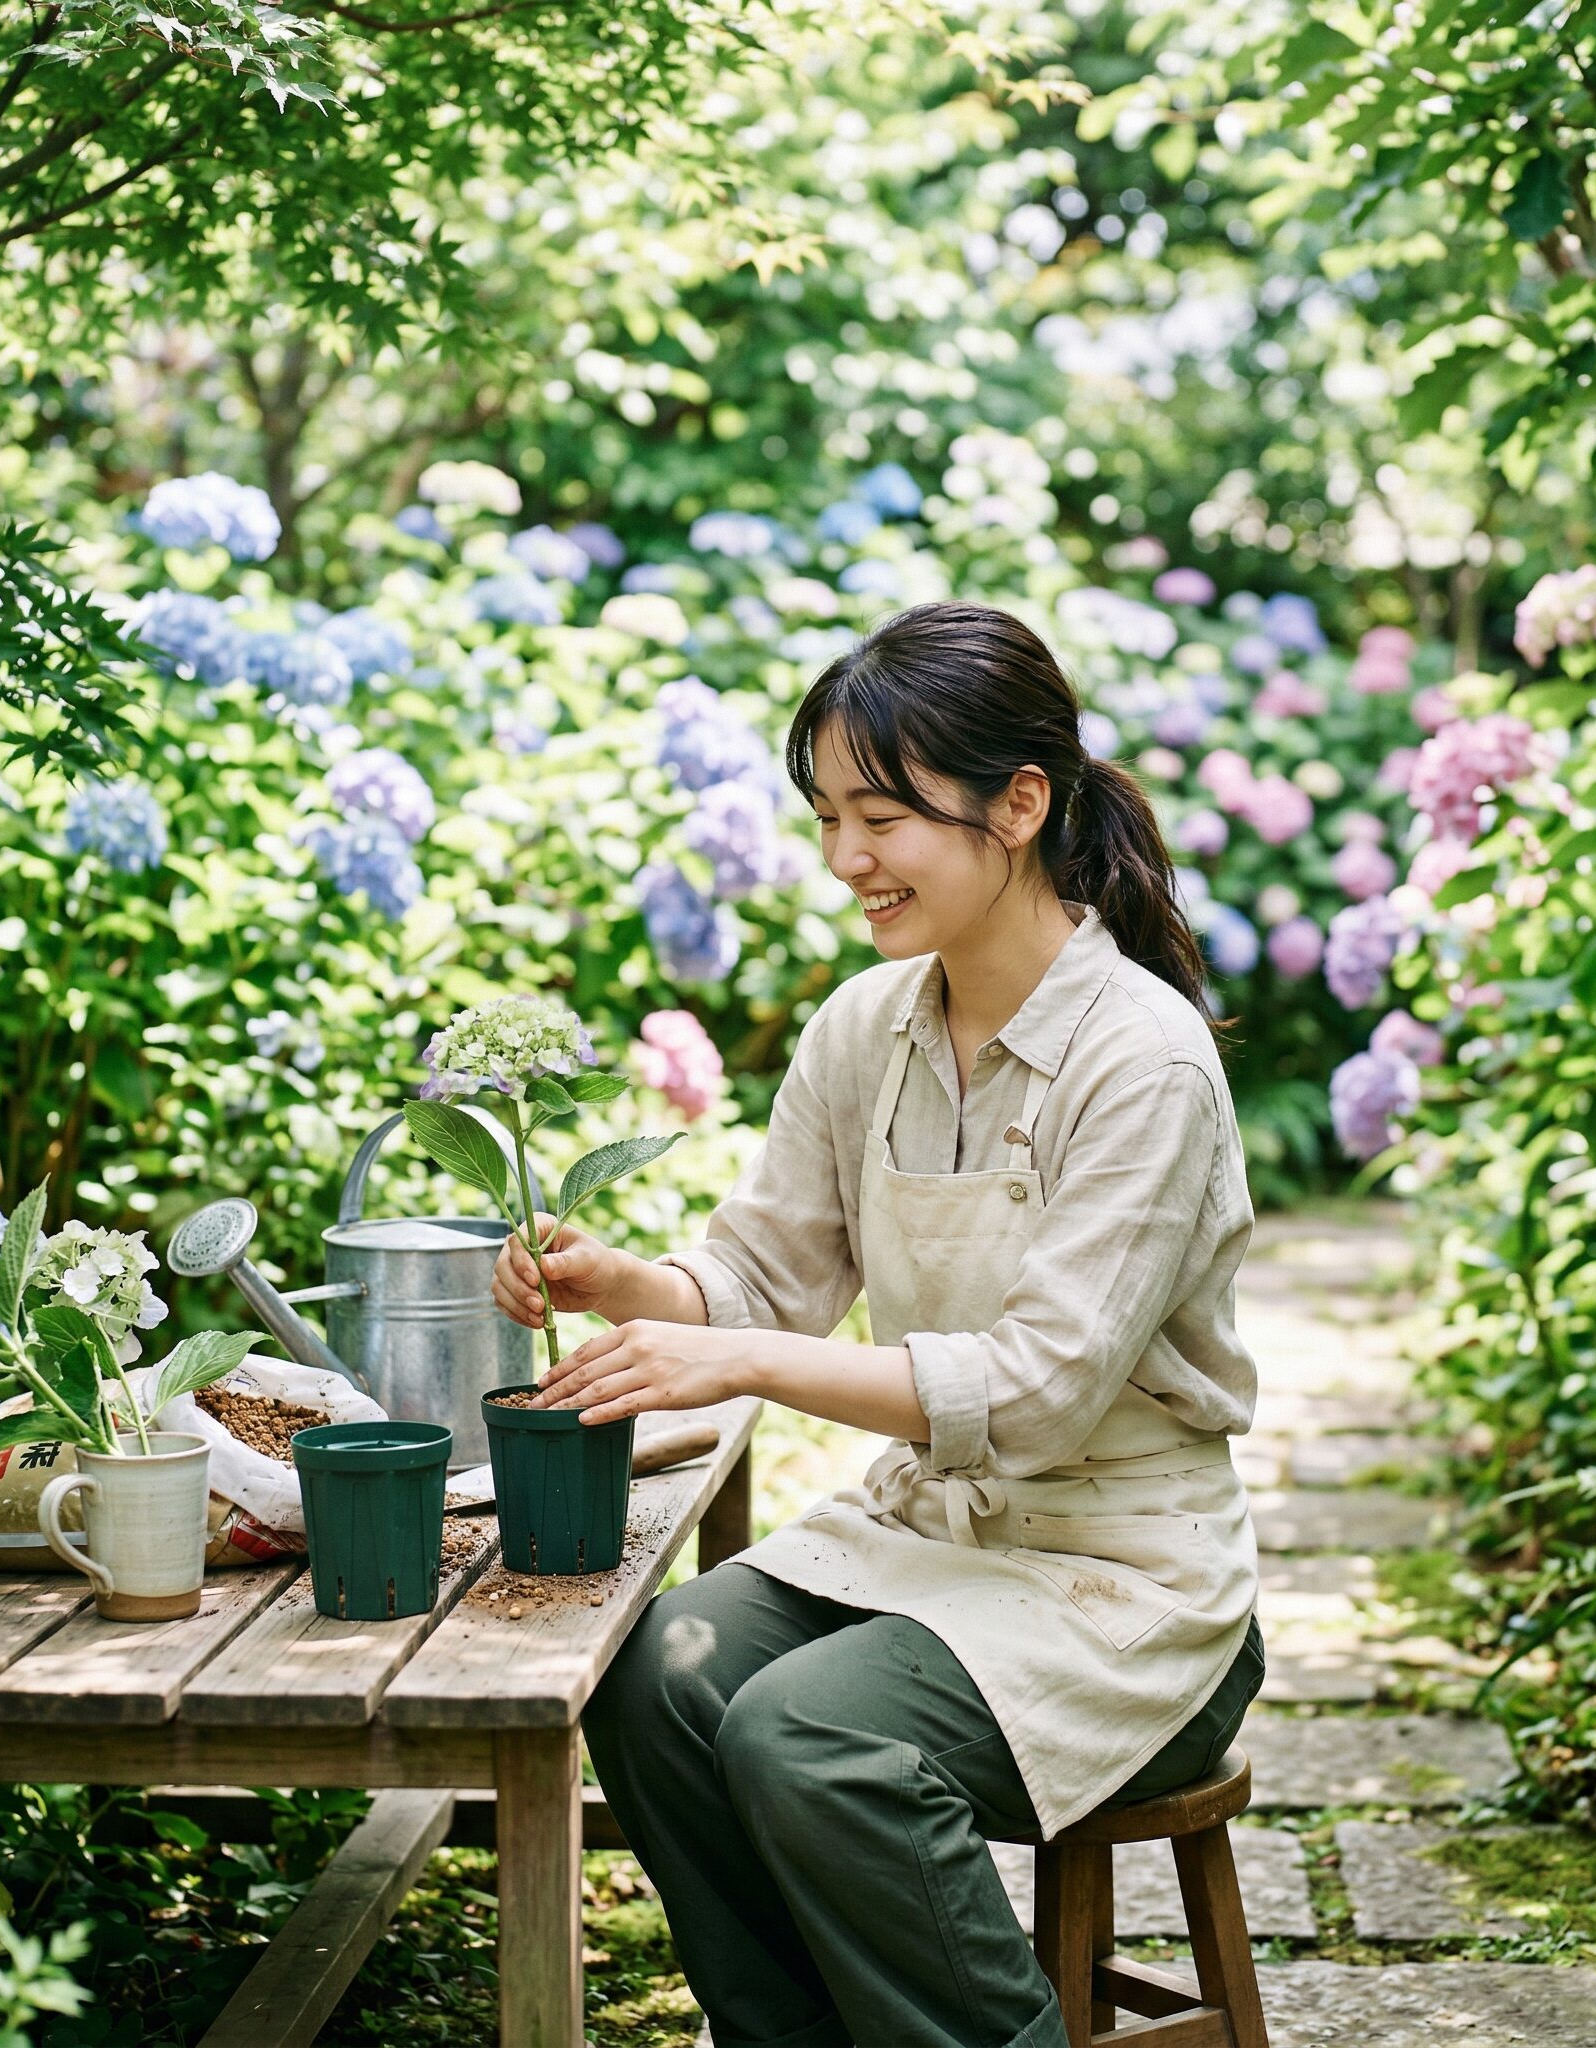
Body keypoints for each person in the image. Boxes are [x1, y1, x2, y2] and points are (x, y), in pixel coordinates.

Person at [496, 600, 1264, 2048]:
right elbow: (760, 1278)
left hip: (1130, 1589)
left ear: (1019, 805)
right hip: (930, 1543)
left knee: (810, 1734)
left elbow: (1036, 1395)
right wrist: (628, 1285)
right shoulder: (865, 1028)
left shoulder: (1144, 1061)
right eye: (830, 819)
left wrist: (739, 1359)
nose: (847, 858)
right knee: (655, 1678)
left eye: (883, 818)